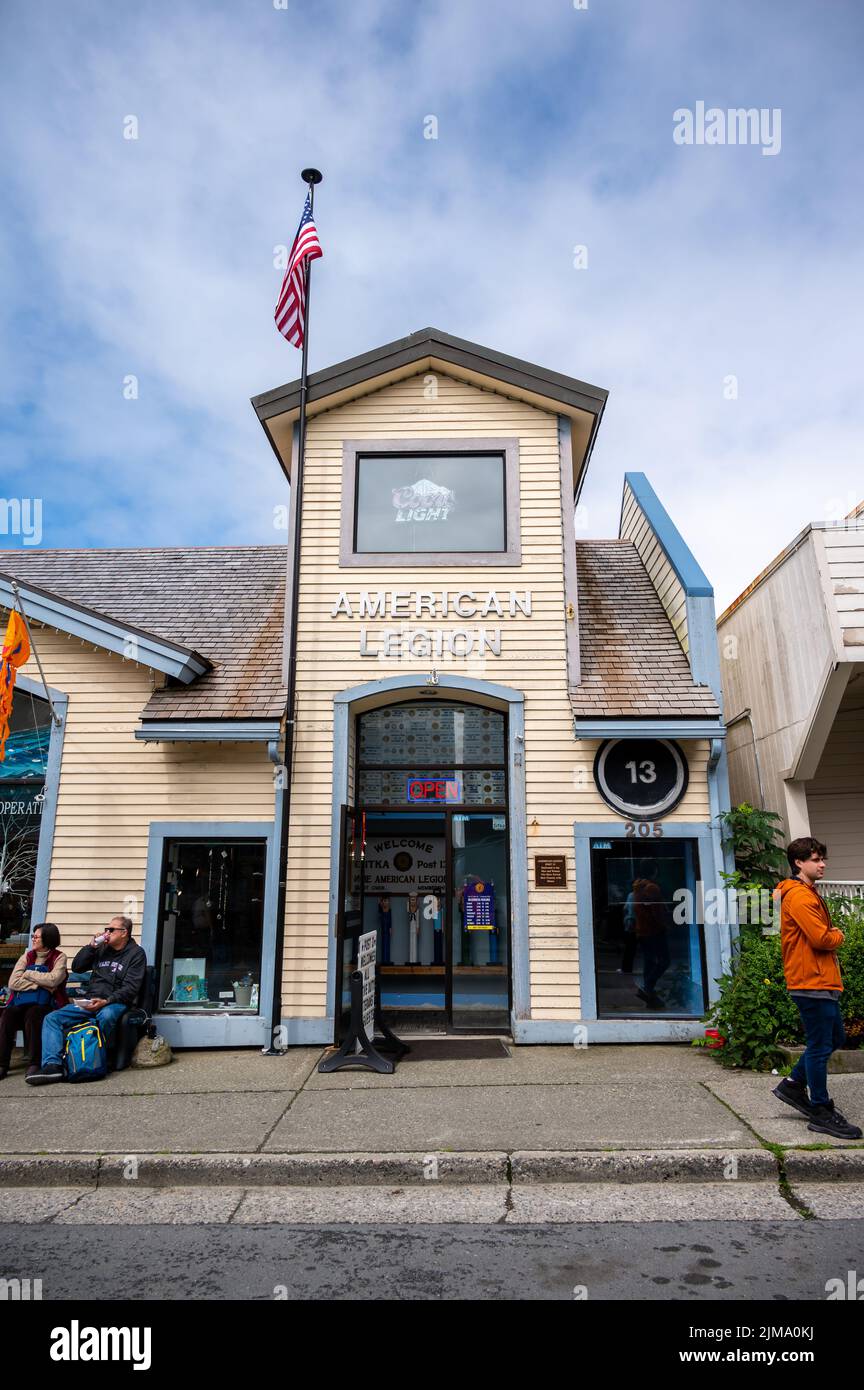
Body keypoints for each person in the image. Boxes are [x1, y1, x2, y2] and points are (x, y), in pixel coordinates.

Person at [772, 837, 862, 1140]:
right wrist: (838, 935)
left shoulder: (805, 892)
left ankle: (793, 1085)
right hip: (811, 980)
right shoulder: (799, 896)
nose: (822, 864)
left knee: (834, 1036)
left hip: (818, 979)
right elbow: (822, 939)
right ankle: (821, 1111)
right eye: (815, 859)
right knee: (821, 1045)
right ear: (799, 863)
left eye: (822, 859)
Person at [26, 915, 146, 1086]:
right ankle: (53, 1066)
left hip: (114, 1002)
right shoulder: (101, 948)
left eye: (111, 930)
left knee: (105, 1016)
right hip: (90, 1001)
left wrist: (106, 1001)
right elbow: (77, 967)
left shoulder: (136, 954)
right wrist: (91, 947)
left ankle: (96, 1060)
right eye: (106, 929)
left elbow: (131, 988)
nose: (106, 932)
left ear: (124, 933)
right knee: (52, 1018)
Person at [0, 923, 68, 1079]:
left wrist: (28, 974)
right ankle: (2, 1064)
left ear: (47, 939)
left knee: (34, 1014)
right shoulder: (27, 956)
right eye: (33, 936)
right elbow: (13, 982)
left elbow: (53, 980)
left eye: (36, 937)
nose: (33, 939)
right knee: (8, 1015)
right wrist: (39, 984)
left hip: (49, 1004)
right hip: (21, 1002)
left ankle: (34, 1063)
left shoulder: (59, 957)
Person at [631, 859, 671, 1008]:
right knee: (664, 961)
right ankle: (647, 987)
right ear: (654, 870)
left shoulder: (637, 887)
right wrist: (664, 925)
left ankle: (648, 994)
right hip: (654, 930)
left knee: (650, 961)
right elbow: (657, 912)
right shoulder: (652, 888)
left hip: (642, 930)